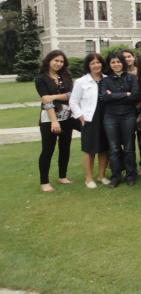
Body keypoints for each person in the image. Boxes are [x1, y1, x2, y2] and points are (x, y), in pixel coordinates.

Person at [35, 50, 75, 192]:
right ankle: (44, 182)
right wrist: (54, 121)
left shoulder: (66, 75)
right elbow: (45, 101)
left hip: (67, 116)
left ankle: (62, 176)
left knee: (65, 148)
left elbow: (71, 95)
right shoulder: (41, 78)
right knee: (48, 150)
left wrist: (53, 97)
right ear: (49, 61)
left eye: (61, 61)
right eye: (56, 60)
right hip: (49, 119)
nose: (59, 63)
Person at [69, 53, 109, 189]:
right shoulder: (81, 82)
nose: (96, 65)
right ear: (88, 66)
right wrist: (80, 116)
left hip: (106, 117)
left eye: (98, 62)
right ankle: (89, 178)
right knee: (89, 149)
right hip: (89, 119)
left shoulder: (107, 79)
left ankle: (102, 175)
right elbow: (73, 101)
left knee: (104, 148)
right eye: (93, 63)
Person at [101, 51, 139, 188]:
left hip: (128, 115)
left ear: (123, 63)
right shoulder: (105, 80)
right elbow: (105, 98)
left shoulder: (131, 77)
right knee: (114, 149)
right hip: (110, 116)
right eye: (113, 62)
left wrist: (115, 95)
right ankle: (115, 177)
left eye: (118, 62)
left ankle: (130, 175)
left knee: (129, 147)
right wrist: (125, 94)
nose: (116, 65)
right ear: (109, 65)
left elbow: (134, 96)